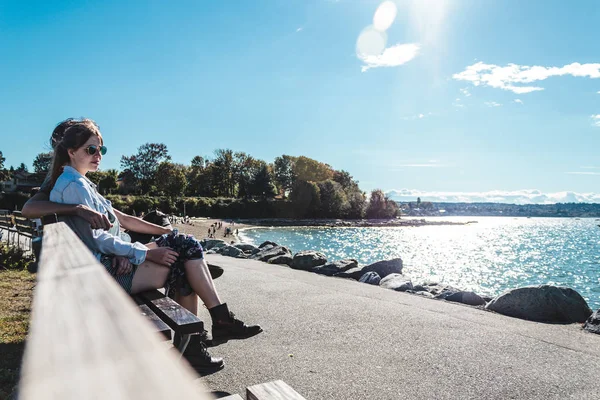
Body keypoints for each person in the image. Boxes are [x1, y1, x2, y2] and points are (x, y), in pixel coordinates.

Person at [25, 118, 262, 374]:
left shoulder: (79, 184)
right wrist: (142, 251)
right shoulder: (72, 186)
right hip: (100, 277)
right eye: (90, 149)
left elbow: (117, 223)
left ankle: (207, 332)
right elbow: (96, 238)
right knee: (184, 261)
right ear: (70, 150)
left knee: (184, 247)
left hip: (101, 265)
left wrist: (161, 234)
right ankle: (205, 334)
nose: (98, 155)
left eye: (100, 150)